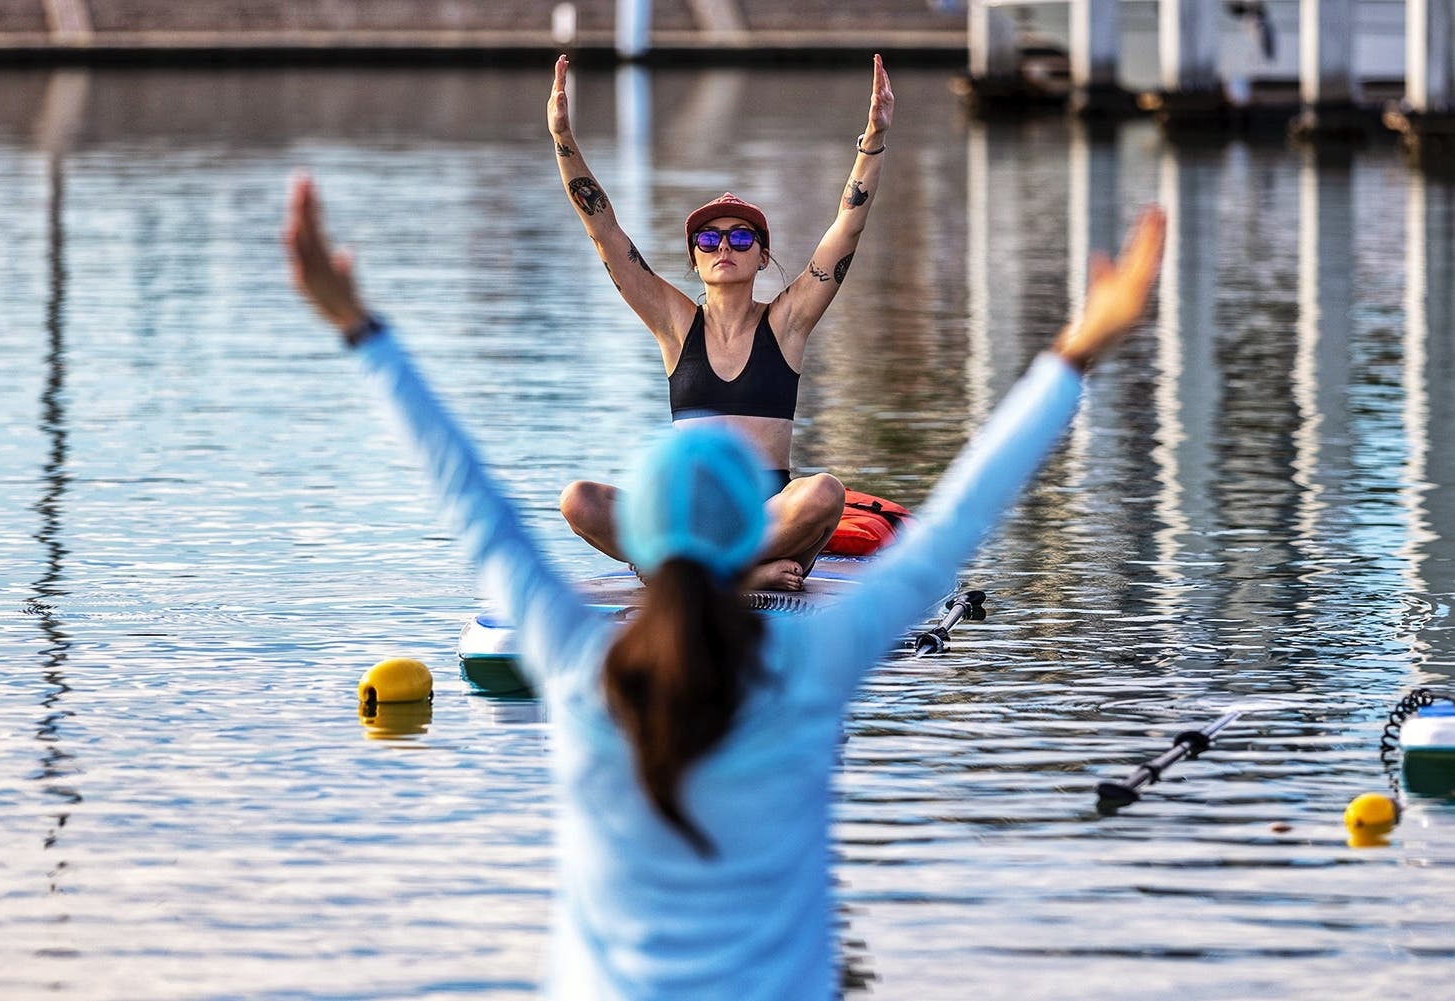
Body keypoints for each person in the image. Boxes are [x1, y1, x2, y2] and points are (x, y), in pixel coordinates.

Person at [284, 172, 1165, 999]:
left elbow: (467, 493)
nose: (725, 245)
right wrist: (1074, 353)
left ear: (651, 545)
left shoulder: (573, 657)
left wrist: (361, 331)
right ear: (743, 524)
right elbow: (952, 530)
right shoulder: (814, 665)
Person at [547, 53, 895, 591]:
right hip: (688, 522)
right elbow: (605, 233)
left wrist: (872, 139)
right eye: (709, 239)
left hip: (767, 523)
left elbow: (847, 228)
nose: (724, 246)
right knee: (578, 499)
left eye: (741, 237)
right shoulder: (673, 323)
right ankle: (735, 577)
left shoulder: (787, 324)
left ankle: (692, 574)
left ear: (762, 257)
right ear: (695, 259)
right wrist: (563, 139)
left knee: (825, 491)